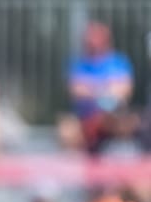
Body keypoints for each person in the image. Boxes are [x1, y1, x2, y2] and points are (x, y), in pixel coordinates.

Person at [57, 21, 140, 154]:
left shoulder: (118, 62)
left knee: (128, 122)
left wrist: (93, 89)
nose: (92, 43)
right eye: (90, 39)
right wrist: (106, 89)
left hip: (114, 115)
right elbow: (76, 90)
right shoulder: (78, 63)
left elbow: (125, 90)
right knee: (67, 131)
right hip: (85, 115)